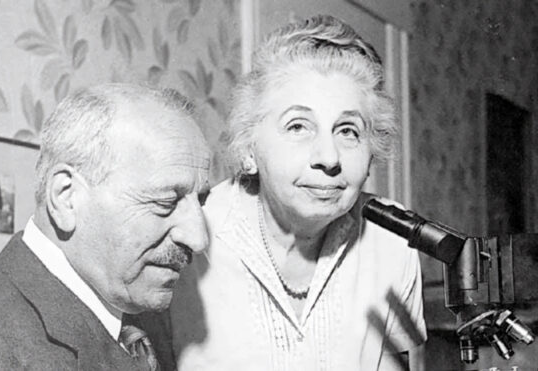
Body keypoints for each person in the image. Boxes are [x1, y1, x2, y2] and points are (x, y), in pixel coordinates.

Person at [158, 15, 427, 371]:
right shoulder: (186, 240)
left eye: (348, 131)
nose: (329, 158)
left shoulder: (392, 241)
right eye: (298, 126)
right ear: (250, 150)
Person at [0, 83, 211, 369]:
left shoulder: (137, 305)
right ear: (66, 197)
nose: (198, 238)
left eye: (200, 202)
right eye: (166, 202)